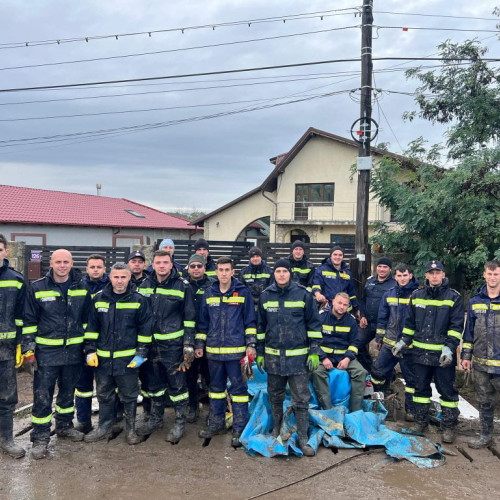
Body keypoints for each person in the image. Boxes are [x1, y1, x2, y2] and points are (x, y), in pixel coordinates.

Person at [22, 249, 91, 459]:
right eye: (58, 262)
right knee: (43, 395)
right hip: (47, 352)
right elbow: (29, 320)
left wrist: (88, 347)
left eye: (66, 262)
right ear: (51, 263)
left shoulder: (82, 287)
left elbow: (87, 321)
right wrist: (28, 349)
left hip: (73, 352)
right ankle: (41, 436)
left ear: (72, 263)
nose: (62, 265)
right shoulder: (37, 287)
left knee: (68, 392)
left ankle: (64, 426)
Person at [393, 260, 464, 443]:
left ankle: (448, 426)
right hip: (420, 354)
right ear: (425, 275)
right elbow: (409, 324)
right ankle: (420, 422)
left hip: (442, 356)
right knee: (420, 389)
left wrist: (449, 348)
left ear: (443, 274)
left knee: (447, 392)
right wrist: (403, 341)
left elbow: (456, 326)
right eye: (431, 272)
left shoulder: (453, 297)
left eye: (437, 272)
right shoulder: (416, 295)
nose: (434, 276)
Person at [257, 259, 322, 457]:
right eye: (278, 271)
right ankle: (276, 429)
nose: (282, 274)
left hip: (298, 360)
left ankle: (302, 437)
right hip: (274, 359)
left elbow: (314, 324)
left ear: (290, 273)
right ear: (274, 273)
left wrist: (314, 351)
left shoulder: (303, 294)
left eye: (285, 271)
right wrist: (260, 353)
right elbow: (260, 327)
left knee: (301, 400)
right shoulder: (265, 296)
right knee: (275, 396)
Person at [83, 263, 152, 445]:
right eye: (116, 277)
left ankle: (130, 430)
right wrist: (90, 351)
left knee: (129, 396)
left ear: (129, 278)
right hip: (103, 360)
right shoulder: (99, 299)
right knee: (104, 394)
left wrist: (141, 354)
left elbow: (145, 330)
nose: (119, 281)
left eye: (123, 277)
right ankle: (104, 427)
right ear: (109, 277)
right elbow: (91, 328)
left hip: (128, 360)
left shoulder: (138, 300)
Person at [195, 256, 256, 447]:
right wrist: (199, 345)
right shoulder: (209, 292)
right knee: (215, 390)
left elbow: (250, 322)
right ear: (215, 272)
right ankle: (216, 423)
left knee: (239, 391)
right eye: (220, 270)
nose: (223, 273)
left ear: (232, 271)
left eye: (226, 270)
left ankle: (240, 428)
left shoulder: (243, 292)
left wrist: (251, 345)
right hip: (213, 353)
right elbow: (203, 323)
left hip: (236, 353)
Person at [136, 250, 196, 444]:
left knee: (177, 386)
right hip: (150, 346)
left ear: (172, 265)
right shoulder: (143, 286)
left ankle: (179, 422)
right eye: (158, 263)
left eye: (165, 262)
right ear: (152, 265)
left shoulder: (182, 286)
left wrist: (188, 345)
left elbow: (189, 318)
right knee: (154, 386)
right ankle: (156, 418)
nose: (161, 266)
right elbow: (138, 317)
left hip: (173, 347)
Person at [370, 264, 419, 419]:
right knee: (378, 372)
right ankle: (381, 401)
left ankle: (411, 410)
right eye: (399, 276)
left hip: (409, 346)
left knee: (411, 379)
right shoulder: (389, 294)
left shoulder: (418, 295)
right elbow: (382, 317)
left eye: (405, 275)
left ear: (411, 275)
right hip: (390, 343)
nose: (402, 279)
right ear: (395, 277)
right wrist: (379, 338)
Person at [461, 260, 500, 449]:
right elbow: (468, 332)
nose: (493, 278)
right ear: (484, 275)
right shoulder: (475, 301)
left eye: (496, 274)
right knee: (485, 401)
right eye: (490, 274)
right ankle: (485, 435)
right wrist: (466, 356)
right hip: (481, 364)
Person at [311, 292, 367, 414]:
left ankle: (356, 411)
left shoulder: (351, 321)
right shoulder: (321, 317)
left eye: (345, 305)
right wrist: (323, 358)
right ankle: (327, 410)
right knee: (316, 372)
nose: (342, 307)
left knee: (361, 372)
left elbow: (355, 343)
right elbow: (313, 340)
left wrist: (347, 358)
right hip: (323, 357)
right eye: (339, 303)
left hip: (343, 356)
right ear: (333, 302)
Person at [75, 254, 109, 434]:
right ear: (86, 269)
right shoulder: (78, 287)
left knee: (106, 386)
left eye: (99, 267)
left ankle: (108, 421)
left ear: (105, 269)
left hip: (106, 343)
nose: (95, 269)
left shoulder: (113, 286)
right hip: (83, 343)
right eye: (92, 267)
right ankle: (83, 420)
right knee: (83, 386)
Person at [0, 234, 26, 458]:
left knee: (7, 397)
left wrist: (20, 344)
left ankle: (6, 440)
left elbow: (22, 316)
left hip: (5, 350)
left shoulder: (16, 279)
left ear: (6, 252)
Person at [185, 254, 213, 422]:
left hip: (209, 337)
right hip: (187, 337)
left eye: (199, 266)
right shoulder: (183, 286)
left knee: (210, 376)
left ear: (204, 268)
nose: (196, 269)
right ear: (188, 268)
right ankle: (193, 407)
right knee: (190, 375)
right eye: (193, 266)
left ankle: (213, 409)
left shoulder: (212, 286)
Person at [358, 257, 396, 372]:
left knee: (387, 353)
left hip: (386, 326)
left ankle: (388, 379)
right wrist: (363, 315)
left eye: (385, 267)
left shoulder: (394, 284)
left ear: (390, 269)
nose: (382, 269)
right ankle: (369, 368)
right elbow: (363, 300)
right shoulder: (370, 281)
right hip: (368, 323)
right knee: (356, 344)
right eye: (380, 266)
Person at [312, 246, 359, 315]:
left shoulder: (347, 273)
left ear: (343, 257)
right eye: (335, 254)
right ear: (330, 256)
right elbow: (316, 284)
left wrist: (356, 308)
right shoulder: (321, 270)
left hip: (344, 310)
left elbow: (351, 293)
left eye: (340, 255)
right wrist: (318, 294)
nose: (337, 257)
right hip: (327, 308)